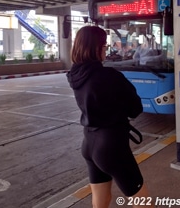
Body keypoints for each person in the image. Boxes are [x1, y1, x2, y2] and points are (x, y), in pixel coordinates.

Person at [66, 25, 154, 208]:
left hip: (89, 143)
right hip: (112, 146)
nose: (106, 49)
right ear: (95, 48)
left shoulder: (75, 75)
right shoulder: (110, 76)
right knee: (143, 202)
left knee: (101, 200)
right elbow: (135, 108)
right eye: (104, 45)